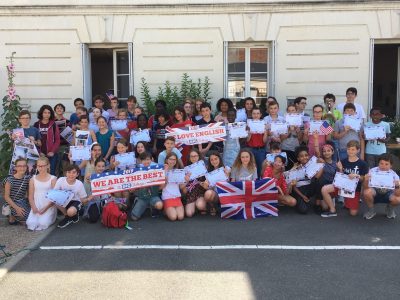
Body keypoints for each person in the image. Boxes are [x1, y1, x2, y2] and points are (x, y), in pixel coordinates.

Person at [320, 140, 368, 217]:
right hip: (342, 186)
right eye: (348, 149)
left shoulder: (363, 163)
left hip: (354, 189)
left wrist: (357, 176)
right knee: (324, 189)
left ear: (358, 150)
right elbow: (339, 177)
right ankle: (333, 210)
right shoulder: (342, 161)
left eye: (353, 149)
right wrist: (340, 169)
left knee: (353, 213)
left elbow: (364, 178)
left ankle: (347, 202)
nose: (350, 151)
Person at [363, 154, 400, 219]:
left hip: (388, 194)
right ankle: (371, 211)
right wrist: (366, 180)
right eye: (381, 163)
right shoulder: (372, 171)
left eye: (386, 164)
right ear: (378, 163)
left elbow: (397, 194)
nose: (383, 166)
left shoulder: (394, 175)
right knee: (366, 192)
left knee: (397, 199)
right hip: (375, 193)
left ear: (391, 165)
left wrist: (397, 186)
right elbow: (366, 188)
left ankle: (390, 209)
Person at [54, 164, 91, 228]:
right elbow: (55, 193)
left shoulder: (79, 184)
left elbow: (82, 200)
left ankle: (74, 213)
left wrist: (88, 199)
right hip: (64, 200)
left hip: (75, 201)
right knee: (55, 201)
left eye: (74, 172)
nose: (71, 174)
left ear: (77, 174)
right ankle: (67, 217)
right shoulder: (61, 180)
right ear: (66, 173)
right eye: (69, 172)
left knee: (70, 212)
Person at [26, 156, 57, 231]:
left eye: (43, 166)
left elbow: (54, 198)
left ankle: (51, 217)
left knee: (43, 223)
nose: (41, 168)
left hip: (48, 205)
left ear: (48, 166)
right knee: (30, 223)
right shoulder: (33, 179)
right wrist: (33, 207)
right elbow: (30, 196)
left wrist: (45, 208)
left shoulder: (53, 179)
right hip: (36, 204)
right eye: (39, 166)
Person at [130, 152, 163, 221]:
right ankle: (138, 202)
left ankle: (153, 207)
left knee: (160, 205)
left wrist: (165, 171)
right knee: (134, 218)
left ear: (152, 160)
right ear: (141, 161)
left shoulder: (157, 170)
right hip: (142, 197)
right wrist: (133, 189)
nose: (146, 161)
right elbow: (133, 186)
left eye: (148, 159)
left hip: (153, 196)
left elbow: (162, 184)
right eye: (144, 160)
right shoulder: (137, 171)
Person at [290, 146, 321, 214]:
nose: (304, 157)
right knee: (303, 210)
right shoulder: (295, 169)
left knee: (319, 182)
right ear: (298, 158)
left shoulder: (311, 165)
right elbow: (294, 187)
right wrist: (303, 196)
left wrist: (320, 163)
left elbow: (319, 171)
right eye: (301, 156)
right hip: (299, 190)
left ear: (309, 156)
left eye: (306, 155)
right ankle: (300, 200)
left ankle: (317, 204)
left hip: (309, 187)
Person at [34, 105, 60, 175]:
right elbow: (34, 141)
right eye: (45, 112)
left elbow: (57, 140)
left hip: (51, 154)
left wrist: (52, 151)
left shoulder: (53, 124)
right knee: (39, 173)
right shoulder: (36, 124)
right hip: (40, 154)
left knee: (51, 173)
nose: (47, 114)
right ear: (41, 113)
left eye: (49, 113)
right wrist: (39, 152)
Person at [3, 158, 31, 224]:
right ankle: (11, 215)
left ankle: (15, 217)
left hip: (22, 201)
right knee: (27, 219)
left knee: (31, 217)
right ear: (15, 167)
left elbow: (29, 194)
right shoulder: (10, 180)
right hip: (12, 203)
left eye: (24, 166)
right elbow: (6, 197)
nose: (22, 168)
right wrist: (17, 208)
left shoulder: (28, 178)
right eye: (19, 166)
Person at [316, 143, 340, 217]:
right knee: (325, 207)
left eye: (328, 151)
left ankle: (332, 199)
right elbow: (316, 177)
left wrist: (340, 168)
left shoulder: (336, 163)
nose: (326, 153)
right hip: (321, 186)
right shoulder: (320, 161)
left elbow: (340, 177)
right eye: (324, 151)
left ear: (332, 152)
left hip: (331, 186)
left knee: (326, 207)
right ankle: (320, 200)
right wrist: (321, 165)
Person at [203, 151, 230, 216]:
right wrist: (206, 185)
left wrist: (227, 175)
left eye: (216, 159)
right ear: (209, 161)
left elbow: (231, 184)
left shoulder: (226, 168)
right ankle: (213, 206)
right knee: (208, 194)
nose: (214, 161)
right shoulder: (207, 172)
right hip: (215, 194)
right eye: (211, 160)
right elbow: (208, 188)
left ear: (219, 159)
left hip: (225, 193)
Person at [161, 153, 186, 221]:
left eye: (174, 159)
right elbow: (161, 187)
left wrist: (186, 180)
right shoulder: (161, 170)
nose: (172, 161)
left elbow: (180, 187)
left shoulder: (178, 171)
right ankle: (165, 210)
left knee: (180, 217)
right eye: (170, 159)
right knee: (173, 217)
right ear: (166, 160)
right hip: (167, 197)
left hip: (177, 197)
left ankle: (169, 210)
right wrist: (165, 172)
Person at [82, 157, 108, 223]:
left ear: (105, 167)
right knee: (93, 219)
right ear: (95, 166)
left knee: (107, 211)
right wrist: (88, 179)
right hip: (93, 200)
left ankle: (103, 213)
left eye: (103, 166)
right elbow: (87, 180)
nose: (101, 168)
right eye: (99, 166)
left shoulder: (107, 176)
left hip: (104, 199)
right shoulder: (91, 176)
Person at [183, 149, 207, 217]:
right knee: (189, 214)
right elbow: (184, 189)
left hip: (201, 192)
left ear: (199, 156)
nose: (194, 158)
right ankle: (194, 206)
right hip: (191, 194)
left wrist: (203, 182)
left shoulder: (203, 166)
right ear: (189, 158)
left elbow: (209, 181)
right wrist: (186, 180)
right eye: (192, 156)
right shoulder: (186, 169)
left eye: (195, 156)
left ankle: (202, 205)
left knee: (200, 206)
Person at [246, 107, 268, 177]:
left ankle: (260, 183)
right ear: (251, 114)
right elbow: (247, 140)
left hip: (260, 149)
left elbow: (264, 141)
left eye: (258, 113)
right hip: (251, 149)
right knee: (250, 168)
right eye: (254, 113)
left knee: (260, 168)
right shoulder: (248, 124)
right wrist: (249, 133)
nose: (256, 115)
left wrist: (265, 132)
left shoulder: (263, 124)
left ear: (260, 114)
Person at [280, 104, 302, 170]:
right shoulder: (283, 122)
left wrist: (298, 131)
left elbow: (301, 139)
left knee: (296, 169)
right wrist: (289, 130)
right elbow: (281, 138)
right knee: (286, 169)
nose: (291, 112)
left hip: (296, 149)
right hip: (285, 149)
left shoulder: (300, 122)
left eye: (293, 110)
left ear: (296, 111)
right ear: (287, 112)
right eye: (289, 111)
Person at [54, 103, 71, 176]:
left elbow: (70, 135)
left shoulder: (67, 121)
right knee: (56, 165)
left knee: (65, 165)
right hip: (54, 146)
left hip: (64, 145)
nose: (59, 109)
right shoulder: (52, 121)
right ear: (55, 110)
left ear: (63, 111)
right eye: (57, 108)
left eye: (61, 108)